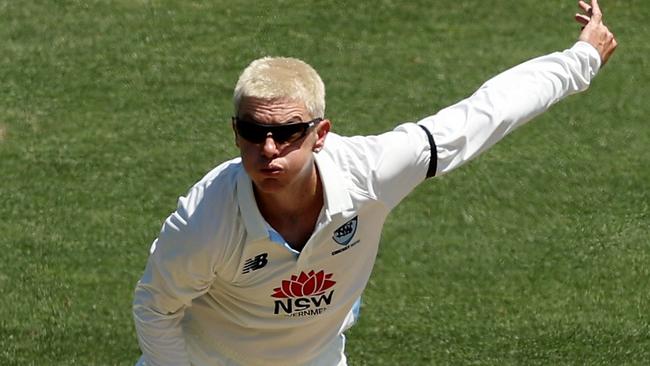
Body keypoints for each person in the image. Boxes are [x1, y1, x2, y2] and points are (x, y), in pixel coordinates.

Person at [133, 1, 617, 365]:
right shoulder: (204, 221)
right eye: (253, 132)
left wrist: (581, 61)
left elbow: (480, 117)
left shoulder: (370, 171)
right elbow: (155, 309)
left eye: (287, 132)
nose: (269, 149)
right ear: (235, 133)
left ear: (320, 134)